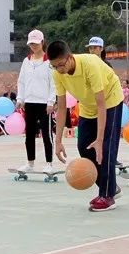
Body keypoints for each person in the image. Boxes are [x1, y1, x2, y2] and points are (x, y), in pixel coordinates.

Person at [50, 40, 124, 212]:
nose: (59, 70)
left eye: (61, 65)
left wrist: (99, 139)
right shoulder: (57, 74)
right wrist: (58, 141)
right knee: (84, 147)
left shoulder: (90, 64)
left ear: (69, 58)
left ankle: (107, 195)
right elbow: (61, 107)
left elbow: (101, 104)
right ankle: (111, 186)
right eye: (54, 66)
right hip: (86, 106)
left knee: (104, 149)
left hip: (110, 101)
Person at [16, 29, 56, 174]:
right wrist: (20, 98)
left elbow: (54, 83)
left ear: (42, 42)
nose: (33, 46)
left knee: (46, 134)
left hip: (44, 104)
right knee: (29, 134)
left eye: (36, 43)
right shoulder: (26, 61)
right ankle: (30, 162)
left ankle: (49, 163)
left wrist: (51, 101)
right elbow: (21, 82)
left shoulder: (49, 62)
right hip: (29, 103)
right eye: (31, 43)